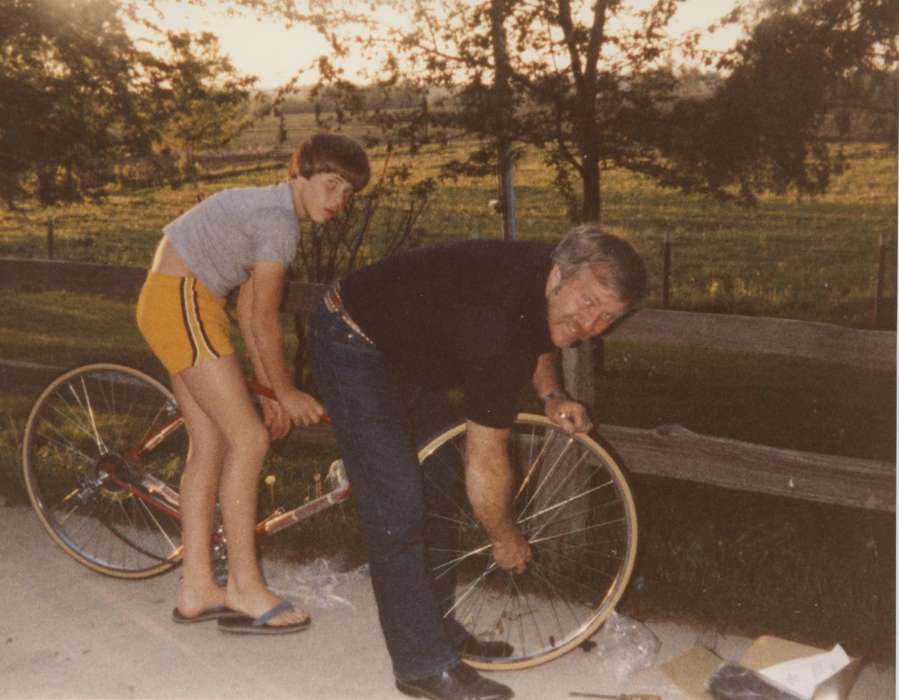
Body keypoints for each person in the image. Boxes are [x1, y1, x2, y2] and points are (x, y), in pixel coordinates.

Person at [307, 223, 647, 698]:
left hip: (412, 349)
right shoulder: (496, 327)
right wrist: (504, 538)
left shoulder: (547, 282)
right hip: (351, 336)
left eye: (608, 317)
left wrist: (551, 394)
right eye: (588, 303)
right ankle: (422, 666)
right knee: (399, 504)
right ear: (557, 277)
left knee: (437, 481)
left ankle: (439, 632)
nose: (591, 325)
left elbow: (548, 336)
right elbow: (487, 460)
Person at [136, 132, 370, 634]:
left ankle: (197, 586)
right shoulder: (278, 222)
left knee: (212, 441)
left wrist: (269, 392)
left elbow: (246, 310)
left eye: (348, 195)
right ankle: (244, 585)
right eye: (330, 185)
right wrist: (285, 392)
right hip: (181, 298)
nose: (338, 202)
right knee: (249, 439)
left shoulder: (274, 212)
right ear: (300, 174)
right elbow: (264, 319)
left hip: (183, 300)